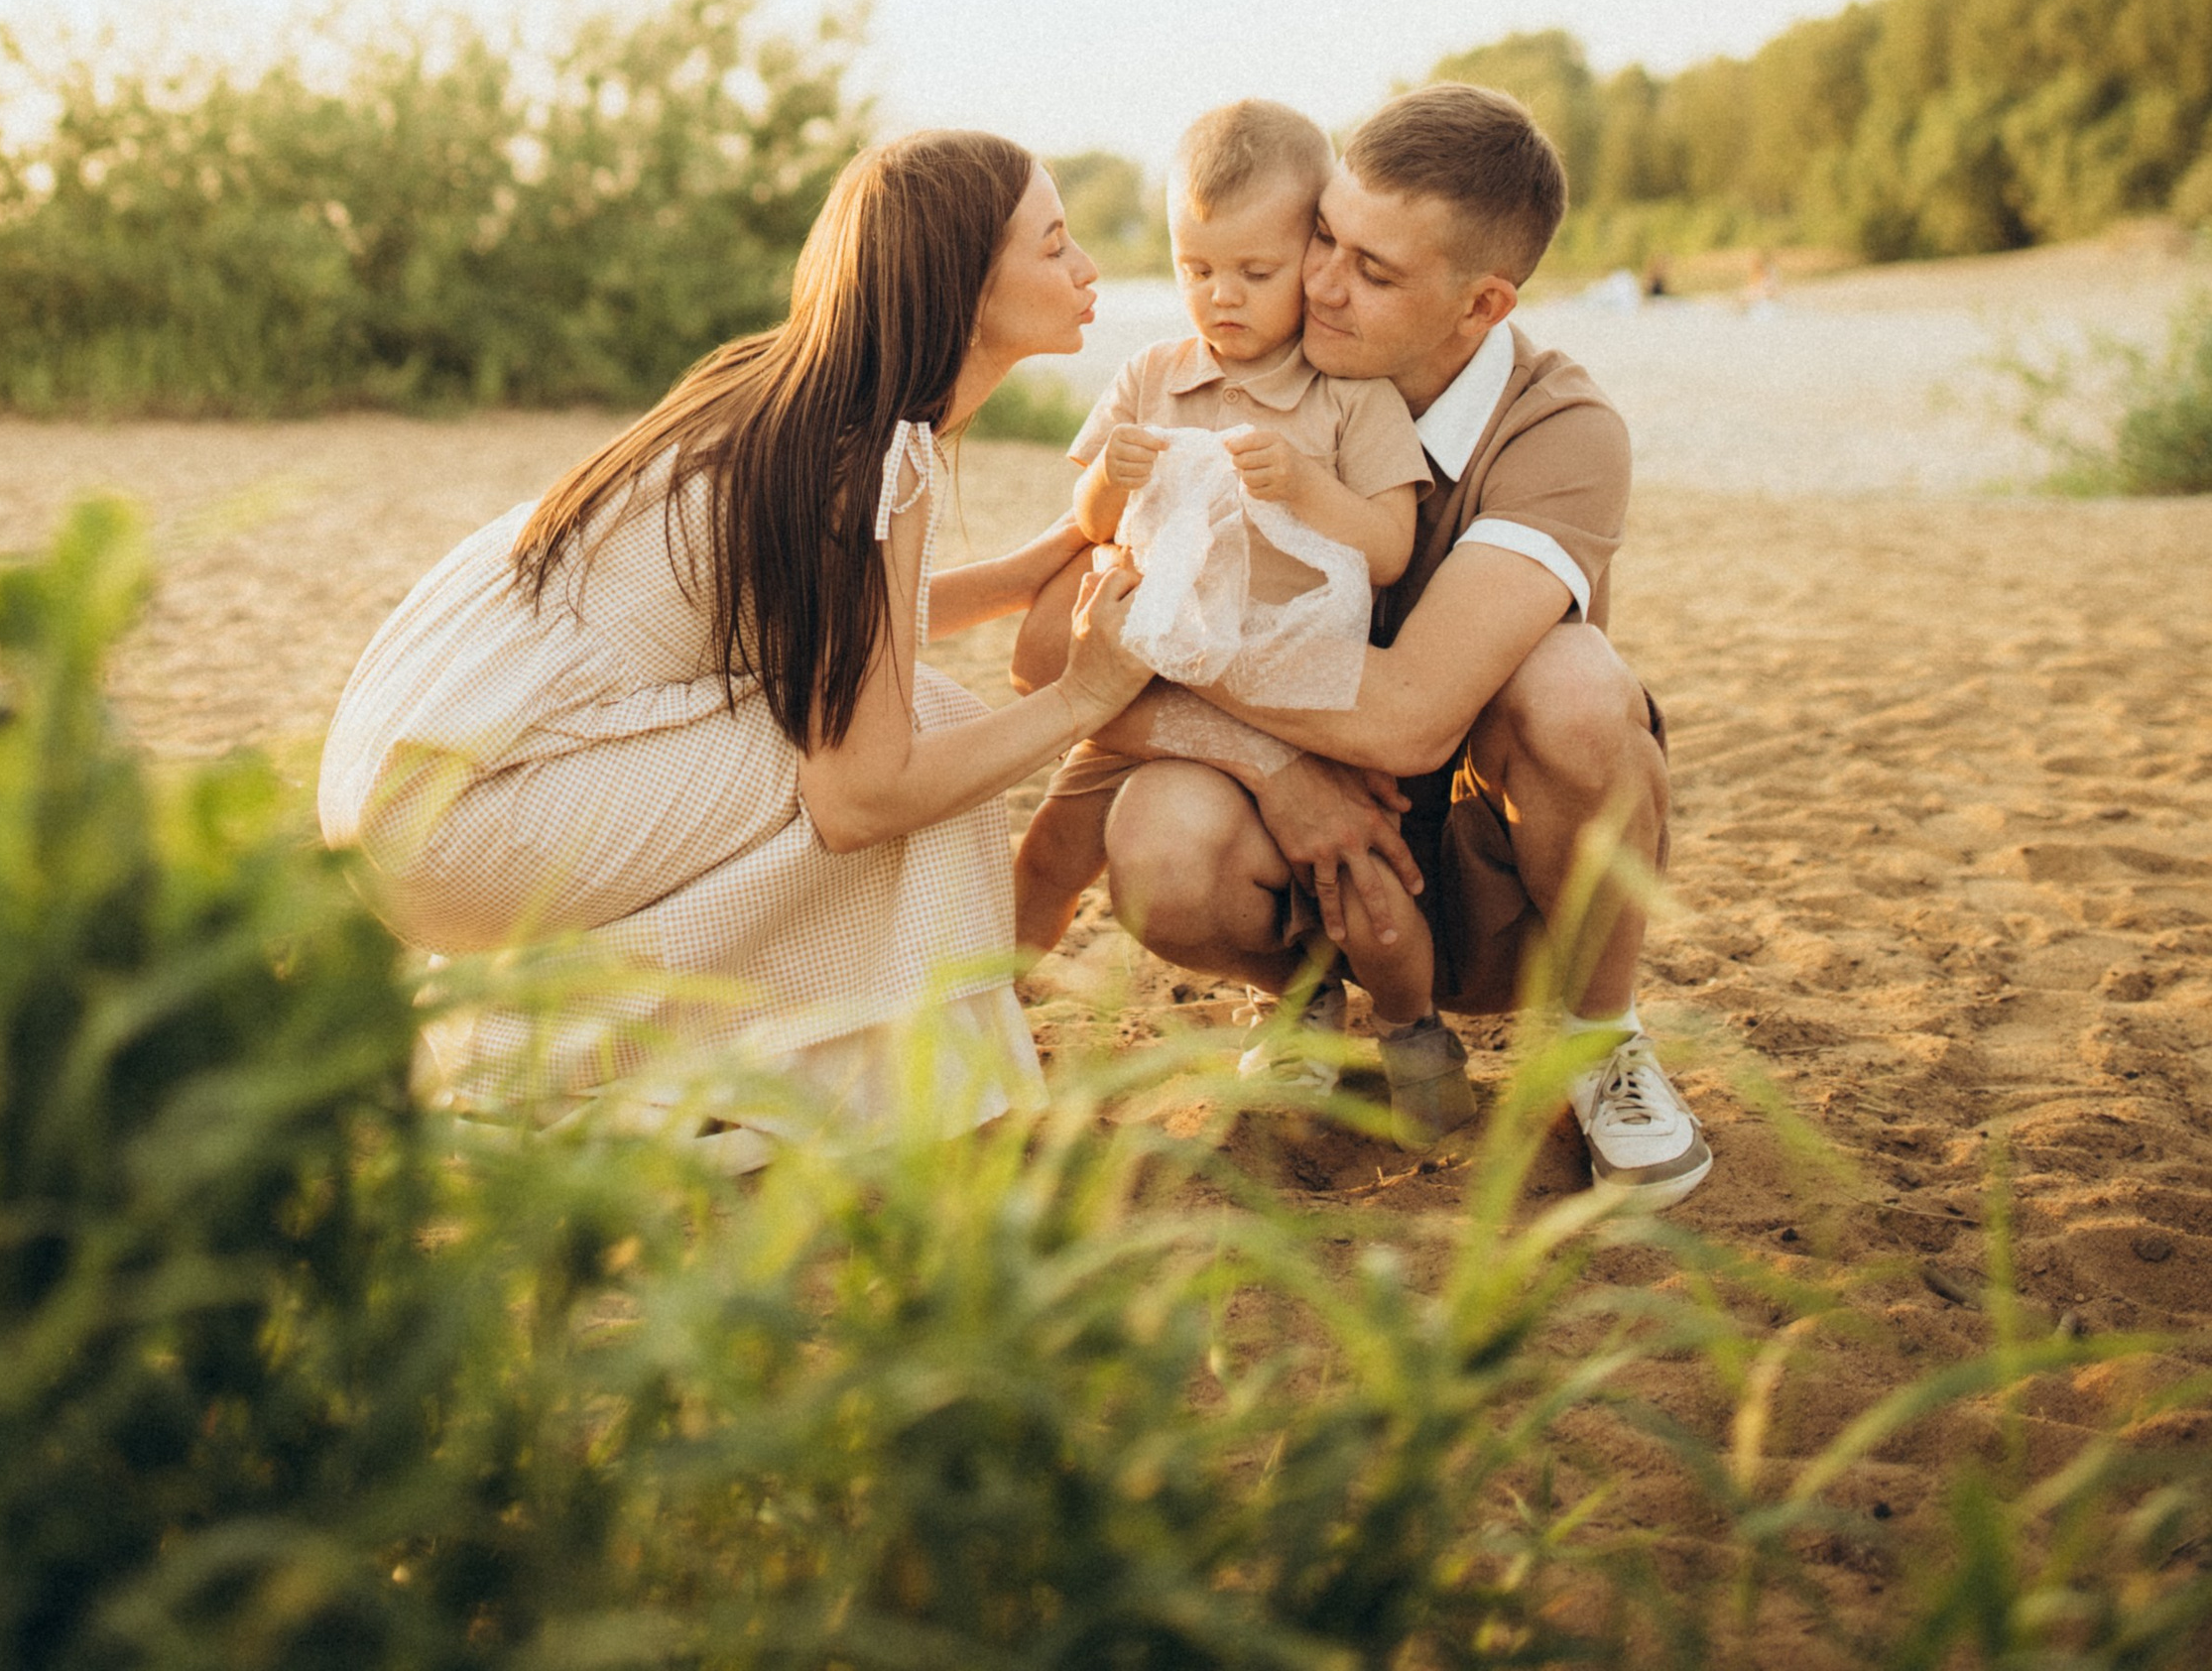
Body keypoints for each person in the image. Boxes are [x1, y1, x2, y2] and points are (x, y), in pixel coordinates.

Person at [316, 133, 1145, 1142]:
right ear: (966, 282)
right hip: (461, 817)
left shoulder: (796, 395)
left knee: (885, 721)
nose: (1086, 268)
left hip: (411, 780)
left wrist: (1014, 581)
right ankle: (565, 1057)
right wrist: (1081, 699)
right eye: (1054, 245)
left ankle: (877, 1074)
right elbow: (860, 796)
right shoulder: (872, 457)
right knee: (912, 742)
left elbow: (818, 623)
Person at [1090, 84, 1711, 1203]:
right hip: (1297, 845)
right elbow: (1054, 646)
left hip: (1498, 861)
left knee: (1574, 684)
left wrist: (1165, 635)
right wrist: (1272, 767)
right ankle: (1303, 998)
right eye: (1325, 235)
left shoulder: (1561, 432)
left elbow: (1415, 716)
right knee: (1157, 842)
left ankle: (1598, 1039)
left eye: (1374, 272)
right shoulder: (1237, 374)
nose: (1320, 283)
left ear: (1478, 306)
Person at [1006, 99, 1426, 963]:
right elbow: (1093, 528)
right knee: (1050, 849)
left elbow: (1390, 549)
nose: (1220, 296)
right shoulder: (1152, 374)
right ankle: (991, 1008)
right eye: (1194, 270)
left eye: (1253, 272)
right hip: (1152, 678)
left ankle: (1389, 1019)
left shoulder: (1349, 394)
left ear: (1314, 252)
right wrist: (1107, 481)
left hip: (1283, 680)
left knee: (1350, 880)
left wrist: (1309, 490)